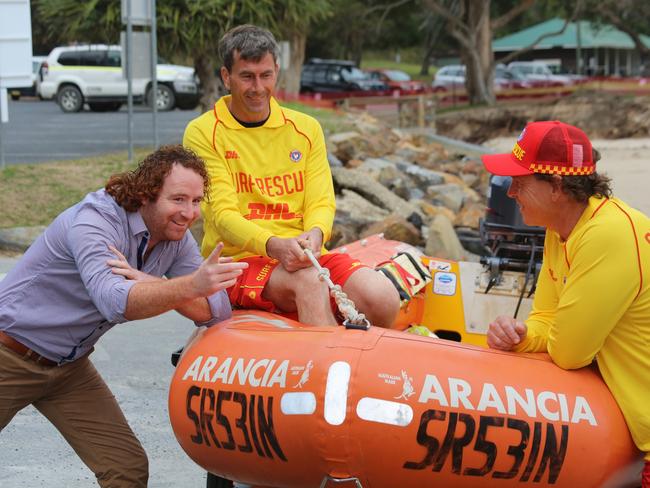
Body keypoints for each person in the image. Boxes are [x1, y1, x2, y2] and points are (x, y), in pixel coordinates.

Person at [0, 145, 247, 487]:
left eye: (196, 201)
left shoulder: (174, 237)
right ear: (147, 195)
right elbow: (114, 302)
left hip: (67, 368)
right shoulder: (95, 220)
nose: (189, 213)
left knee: (126, 469)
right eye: (178, 199)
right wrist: (189, 286)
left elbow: (217, 312)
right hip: (10, 354)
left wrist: (155, 281)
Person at [184, 25, 400, 327]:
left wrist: (316, 234)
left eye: (266, 75)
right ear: (226, 77)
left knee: (382, 296)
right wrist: (274, 245)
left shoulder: (306, 128)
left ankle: (360, 367)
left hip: (304, 255)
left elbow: (322, 201)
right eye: (247, 76)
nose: (258, 87)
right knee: (310, 283)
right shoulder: (203, 132)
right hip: (239, 262)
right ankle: (324, 368)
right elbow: (221, 215)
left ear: (277, 71)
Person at [481, 121, 650, 486]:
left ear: (556, 187)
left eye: (520, 182)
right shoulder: (561, 230)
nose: (510, 192)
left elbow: (570, 352)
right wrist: (520, 335)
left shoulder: (607, 233)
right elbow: (545, 318)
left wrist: (545, 335)